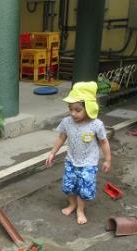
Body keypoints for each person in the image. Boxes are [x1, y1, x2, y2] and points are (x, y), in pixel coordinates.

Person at [46, 81, 111, 225]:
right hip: (71, 161)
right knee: (68, 186)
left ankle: (80, 210)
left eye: (77, 109)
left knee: (83, 189)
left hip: (88, 163)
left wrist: (107, 159)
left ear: (89, 108)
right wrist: (52, 153)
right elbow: (61, 137)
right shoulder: (67, 122)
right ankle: (72, 204)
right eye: (70, 109)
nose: (73, 113)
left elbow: (104, 142)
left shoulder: (96, 125)